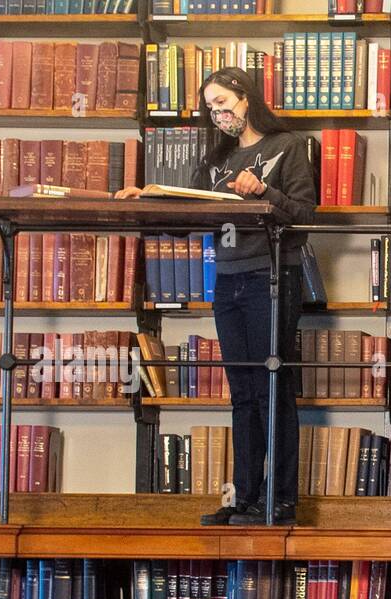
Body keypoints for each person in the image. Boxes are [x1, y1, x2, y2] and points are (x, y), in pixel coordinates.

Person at [117, 67, 317, 526]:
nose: (218, 114)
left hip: (271, 277)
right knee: (243, 393)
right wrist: (146, 201)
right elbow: (187, 218)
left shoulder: (287, 147)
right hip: (228, 281)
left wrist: (264, 190)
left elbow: (305, 215)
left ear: (246, 100)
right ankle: (245, 498)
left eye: (223, 103)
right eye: (210, 108)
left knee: (273, 389)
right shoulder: (215, 161)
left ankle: (281, 501)